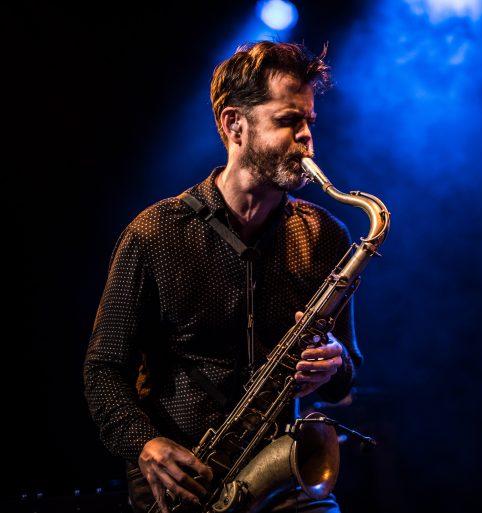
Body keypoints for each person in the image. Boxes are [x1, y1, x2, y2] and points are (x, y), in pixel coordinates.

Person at [84, 41, 362, 513]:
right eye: (287, 120)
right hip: (183, 483)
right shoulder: (154, 233)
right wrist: (145, 444)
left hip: (282, 475)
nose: (306, 138)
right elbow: (103, 370)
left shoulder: (325, 236)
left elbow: (346, 379)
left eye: (309, 122)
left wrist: (334, 366)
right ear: (235, 124)